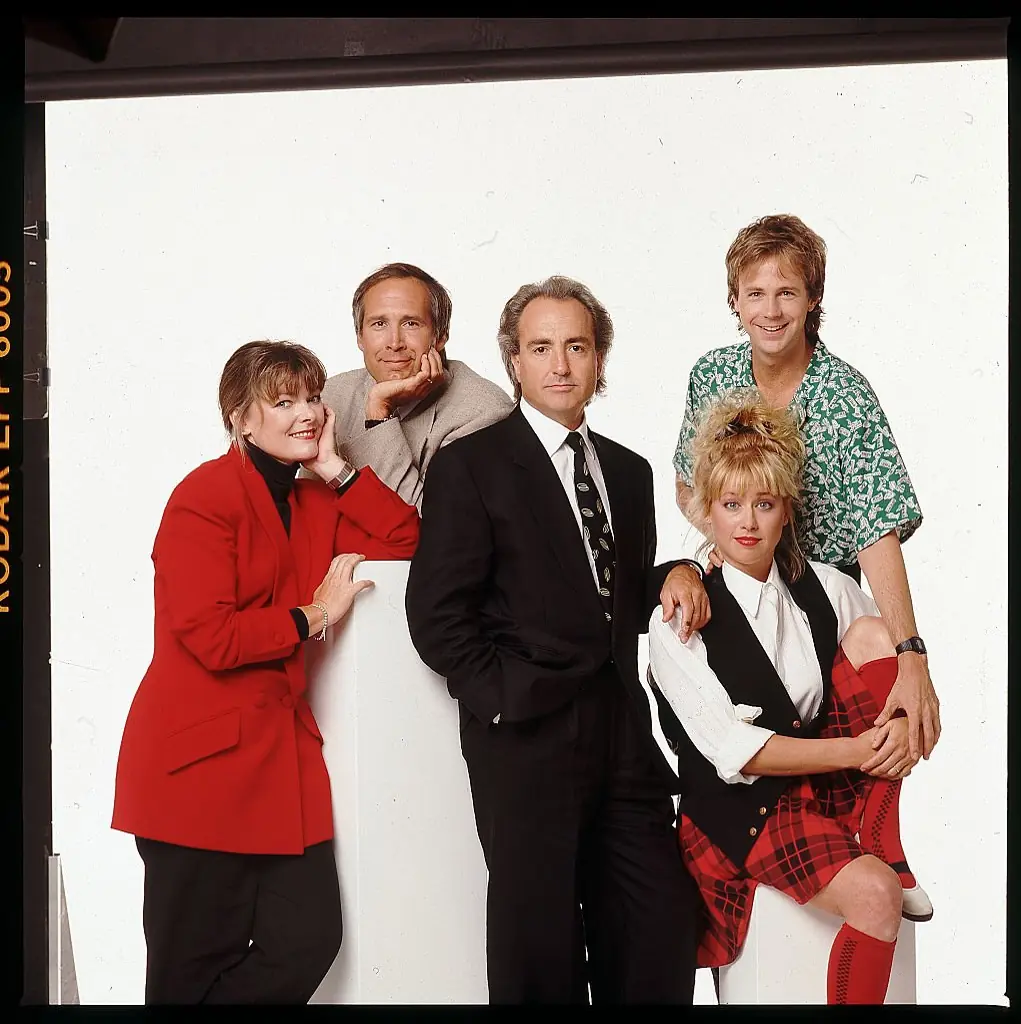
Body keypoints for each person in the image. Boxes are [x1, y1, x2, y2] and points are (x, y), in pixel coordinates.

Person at [405, 275, 708, 1004]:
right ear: (513, 361)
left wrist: (675, 569)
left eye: (576, 346)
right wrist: (501, 701)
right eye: (541, 348)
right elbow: (436, 613)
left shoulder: (629, 474)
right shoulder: (471, 465)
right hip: (526, 737)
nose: (560, 365)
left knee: (658, 928)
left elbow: (612, 594)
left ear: (599, 358)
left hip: (620, 736)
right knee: (538, 950)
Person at [111, 340, 420, 1004]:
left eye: (311, 398)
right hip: (198, 773)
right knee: (189, 969)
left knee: (308, 939)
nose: (306, 413)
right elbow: (209, 634)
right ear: (239, 418)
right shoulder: (204, 496)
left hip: (281, 774)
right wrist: (313, 615)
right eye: (283, 402)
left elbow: (405, 543)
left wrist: (338, 469)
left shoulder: (314, 500)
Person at [651, 388, 932, 1005]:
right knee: (876, 896)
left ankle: (885, 834)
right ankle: (880, 862)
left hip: (824, 786)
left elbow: (882, 657)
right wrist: (859, 751)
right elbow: (737, 754)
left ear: (786, 510)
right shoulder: (677, 619)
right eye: (731, 505)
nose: (747, 522)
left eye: (764, 503)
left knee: (877, 631)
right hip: (742, 811)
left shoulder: (822, 588)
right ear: (705, 513)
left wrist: (913, 699)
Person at [672, 214, 940, 767]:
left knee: (867, 742)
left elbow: (876, 527)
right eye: (756, 294)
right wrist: (739, 545)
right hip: (742, 590)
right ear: (735, 301)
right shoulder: (712, 376)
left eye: (787, 293)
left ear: (813, 298)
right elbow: (686, 483)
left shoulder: (845, 394)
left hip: (822, 604)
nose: (770, 311)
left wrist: (912, 655)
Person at [322, 262, 514, 510]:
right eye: (379, 324)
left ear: (441, 335)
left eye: (410, 323)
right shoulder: (331, 395)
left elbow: (429, 527)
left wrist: (380, 414)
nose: (394, 343)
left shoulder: (484, 410)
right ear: (360, 336)